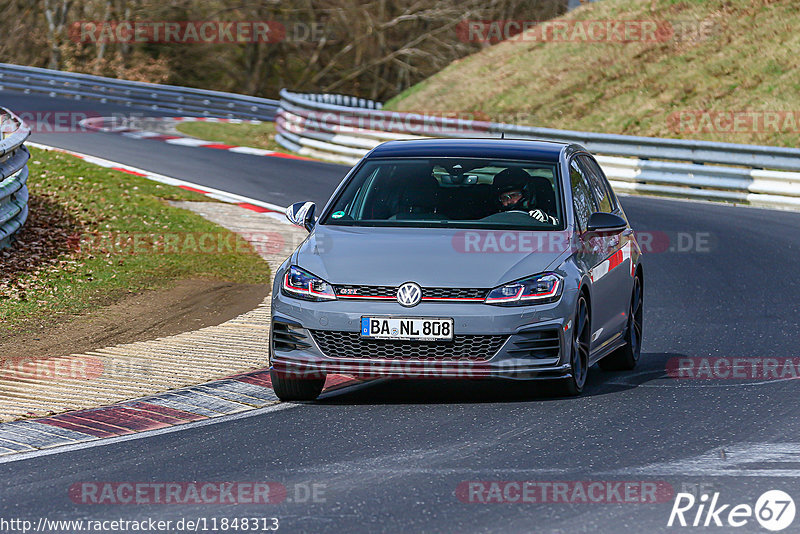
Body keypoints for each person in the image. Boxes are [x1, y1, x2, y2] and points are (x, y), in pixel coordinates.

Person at [492, 168, 558, 224]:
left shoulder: (552, 210)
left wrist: (548, 220)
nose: (509, 201)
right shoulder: (491, 218)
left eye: (514, 195)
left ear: (527, 194)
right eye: (504, 198)